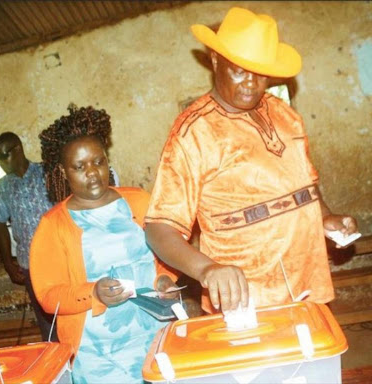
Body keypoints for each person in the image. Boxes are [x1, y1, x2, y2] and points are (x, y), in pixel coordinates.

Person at [145, 7, 359, 314]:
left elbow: (306, 182)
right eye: (239, 70)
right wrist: (207, 269)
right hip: (246, 296)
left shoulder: (284, 113)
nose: (251, 83)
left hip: (307, 281)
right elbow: (159, 228)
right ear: (215, 60)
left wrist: (326, 218)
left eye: (260, 73)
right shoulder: (193, 132)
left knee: (314, 360)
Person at [31, 105, 178, 383]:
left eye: (98, 162)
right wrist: (93, 292)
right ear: (63, 172)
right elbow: (49, 296)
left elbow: (166, 254)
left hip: (155, 335)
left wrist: (164, 279)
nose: (92, 173)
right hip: (99, 355)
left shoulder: (138, 201)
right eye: (79, 166)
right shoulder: (54, 225)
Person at [0, 132, 57, 341]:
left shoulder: (47, 173)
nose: (1, 163)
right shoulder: (2, 188)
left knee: (68, 312)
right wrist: (8, 263)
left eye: (4, 156)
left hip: (60, 259)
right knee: (46, 320)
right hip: (30, 266)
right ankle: (57, 365)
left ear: (18, 149)